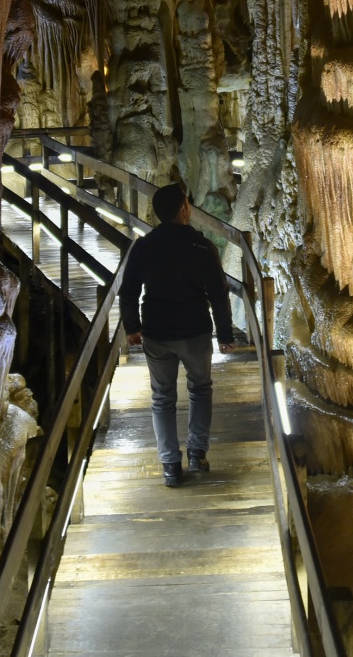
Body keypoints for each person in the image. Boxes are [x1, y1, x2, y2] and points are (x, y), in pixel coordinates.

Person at [117, 182, 238, 487]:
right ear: (184, 209)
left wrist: (132, 327)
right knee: (200, 388)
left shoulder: (144, 246)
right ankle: (197, 452)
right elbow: (219, 293)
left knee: (162, 397)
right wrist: (225, 333)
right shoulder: (200, 246)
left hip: (157, 332)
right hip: (195, 331)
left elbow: (128, 290)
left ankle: (170, 464)